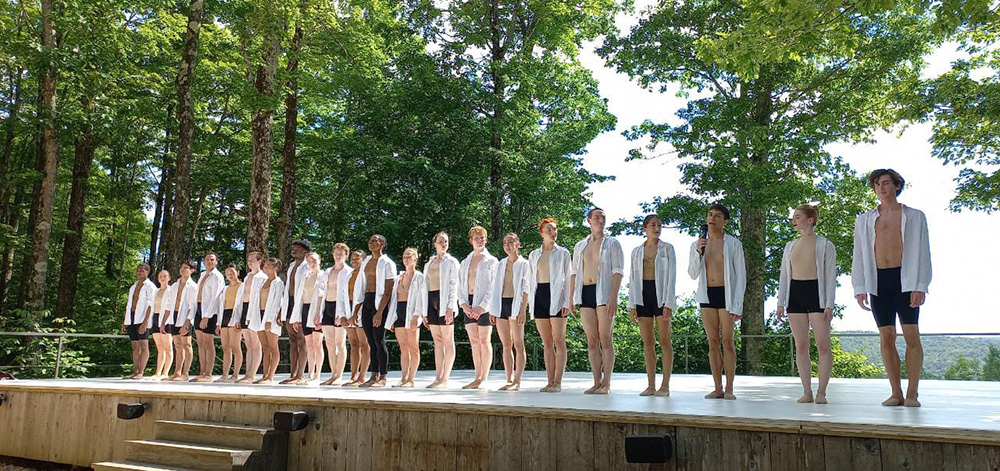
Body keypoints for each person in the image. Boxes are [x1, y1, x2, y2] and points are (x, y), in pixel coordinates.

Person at [852, 169, 931, 407]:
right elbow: (859, 253)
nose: (881, 188)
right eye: (877, 184)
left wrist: (920, 285)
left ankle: (912, 393)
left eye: (886, 183)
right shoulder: (864, 219)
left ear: (896, 186)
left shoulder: (915, 216)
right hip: (878, 280)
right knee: (886, 336)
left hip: (905, 279)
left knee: (911, 335)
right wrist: (859, 286)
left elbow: (924, 252)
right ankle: (895, 392)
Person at [777, 204, 836, 404]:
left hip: (817, 295)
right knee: (801, 345)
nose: (794, 220)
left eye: (798, 216)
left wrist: (829, 304)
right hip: (796, 295)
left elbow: (830, 276)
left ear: (810, 220)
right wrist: (780, 302)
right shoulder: (790, 246)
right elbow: (784, 275)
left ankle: (821, 391)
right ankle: (806, 391)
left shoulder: (825, 244)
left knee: (822, 345)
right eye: (794, 217)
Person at [688, 204, 746, 400]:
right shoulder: (697, 244)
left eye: (717, 215)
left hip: (726, 295)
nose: (712, 218)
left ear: (725, 221)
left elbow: (741, 276)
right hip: (707, 294)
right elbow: (692, 273)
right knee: (713, 342)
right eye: (710, 214)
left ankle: (730, 387)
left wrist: (738, 304)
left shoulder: (733, 244)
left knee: (727, 341)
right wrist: (698, 252)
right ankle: (717, 387)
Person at [571, 208, 625, 395]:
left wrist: (613, 297)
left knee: (605, 338)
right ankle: (596, 381)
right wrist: (571, 298)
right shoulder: (580, 246)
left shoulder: (612, 243)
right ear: (589, 220)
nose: (601, 219)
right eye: (597, 217)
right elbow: (574, 273)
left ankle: (607, 383)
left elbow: (618, 271)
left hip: (604, 292)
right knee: (592, 340)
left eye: (603, 217)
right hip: (585, 292)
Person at [627, 214, 677, 397]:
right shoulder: (636, 251)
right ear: (645, 229)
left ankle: (665, 385)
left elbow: (672, 277)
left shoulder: (667, 249)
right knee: (647, 342)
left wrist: (669, 302)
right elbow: (632, 278)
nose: (657, 228)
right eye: (653, 225)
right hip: (642, 294)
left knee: (665, 341)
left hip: (661, 294)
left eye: (659, 225)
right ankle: (650, 385)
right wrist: (632, 304)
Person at [528, 218, 573, 393]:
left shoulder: (563, 253)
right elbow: (530, 280)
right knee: (547, 342)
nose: (553, 232)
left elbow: (569, 278)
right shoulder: (534, 255)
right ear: (541, 233)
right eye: (549, 229)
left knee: (559, 341)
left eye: (554, 229)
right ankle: (549, 381)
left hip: (557, 297)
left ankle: (558, 382)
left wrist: (566, 302)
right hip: (540, 296)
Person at [353, 235, 397, 388]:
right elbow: (361, 286)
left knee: (379, 339)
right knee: (370, 341)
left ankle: (383, 376)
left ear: (382, 244)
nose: (371, 243)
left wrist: (380, 312)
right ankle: (373, 375)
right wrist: (355, 311)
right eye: (370, 240)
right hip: (368, 300)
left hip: (380, 302)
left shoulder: (387, 263)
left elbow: (388, 289)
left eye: (375, 241)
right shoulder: (366, 262)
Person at [458, 226, 498, 389]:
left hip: (484, 305)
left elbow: (493, 286)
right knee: (474, 341)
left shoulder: (491, 261)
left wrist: (482, 307)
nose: (480, 240)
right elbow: (460, 285)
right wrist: (464, 304)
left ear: (486, 240)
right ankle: (477, 376)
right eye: (477, 237)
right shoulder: (465, 262)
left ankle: (484, 378)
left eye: (482, 237)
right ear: (471, 241)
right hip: (469, 302)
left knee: (484, 340)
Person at [490, 233, 531, 391]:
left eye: (510, 242)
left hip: (516, 304)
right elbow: (495, 288)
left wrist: (523, 310)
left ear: (517, 244)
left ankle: (518, 380)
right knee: (506, 344)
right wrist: (493, 309)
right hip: (501, 305)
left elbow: (526, 288)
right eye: (505, 243)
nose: (507, 245)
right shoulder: (500, 264)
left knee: (519, 344)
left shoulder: (524, 264)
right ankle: (508, 379)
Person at [423, 232, 461, 389]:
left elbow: (454, 284)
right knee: (438, 342)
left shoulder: (452, 262)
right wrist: (424, 311)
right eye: (441, 241)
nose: (444, 243)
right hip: (431, 301)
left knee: (447, 340)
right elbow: (424, 287)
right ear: (435, 244)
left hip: (445, 301)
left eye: (446, 241)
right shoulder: (429, 262)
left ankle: (445, 377)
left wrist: (450, 307)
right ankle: (438, 376)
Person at [387, 247, 426, 388]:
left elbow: (421, 298)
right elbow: (393, 300)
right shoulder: (399, 278)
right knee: (403, 347)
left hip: (412, 312)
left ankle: (411, 378)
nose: (406, 259)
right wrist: (392, 319)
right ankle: (403, 378)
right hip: (400, 312)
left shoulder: (419, 277)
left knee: (413, 346)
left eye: (409, 256)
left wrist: (417, 316)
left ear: (415, 259)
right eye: (404, 256)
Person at [318, 243, 352, 386]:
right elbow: (320, 293)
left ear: (346, 255)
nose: (338, 255)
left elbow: (347, 294)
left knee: (340, 343)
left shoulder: (348, 272)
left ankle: (339, 375)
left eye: (341, 253)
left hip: (340, 308)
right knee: (330, 343)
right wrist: (317, 313)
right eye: (336, 253)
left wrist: (343, 312)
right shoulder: (327, 272)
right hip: (328, 306)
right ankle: (333, 374)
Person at [290, 252, 325, 383]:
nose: (312, 263)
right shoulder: (306, 276)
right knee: (309, 344)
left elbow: (321, 295)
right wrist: (297, 317)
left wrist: (318, 314)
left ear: (320, 260)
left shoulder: (323, 275)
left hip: (316, 309)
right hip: (305, 309)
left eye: (314, 260)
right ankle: (310, 373)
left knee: (317, 342)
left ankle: (318, 374)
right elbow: (300, 297)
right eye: (309, 261)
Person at [281, 240, 313, 385]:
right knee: (292, 340)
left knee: (302, 339)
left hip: (301, 302)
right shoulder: (292, 266)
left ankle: (301, 375)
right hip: (289, 301)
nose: (294, 250)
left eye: (297, 249)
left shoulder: (307, 267)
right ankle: (293, 373)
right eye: (293, 248)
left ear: (305, 252)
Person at [233, 252, 267, 384]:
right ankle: (247, 373)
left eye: (252, 260)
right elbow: (241, 298)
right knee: (248, 343)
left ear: (259, 261)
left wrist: (254, 314)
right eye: (248, 260)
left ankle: (252, 374)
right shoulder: (247, 277)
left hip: (255, 310)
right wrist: (237, 317)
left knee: (255, 343)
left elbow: (261, 297)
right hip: (244, 309)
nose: (249, 262)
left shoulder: (262, 277)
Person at [191, 253, 224, 382]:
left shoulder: (217, 276)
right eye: (207, 260)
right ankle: (202, 371)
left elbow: (216, 297)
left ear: (216, 262)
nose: (209, 262)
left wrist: (207, 316)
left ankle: (208, 373)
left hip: (210, 312)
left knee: (208, 342)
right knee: (200, 342)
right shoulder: (202, 275)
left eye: (212, 260)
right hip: (199, 308)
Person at [162, 260, 198, 381]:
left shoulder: (193, 286)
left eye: (186, 268)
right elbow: (168, 305)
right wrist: (163, 322)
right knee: (177, 345)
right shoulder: (174, 286)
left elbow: (193, 306)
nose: (183, 269)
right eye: (181, 267)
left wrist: (187, 322)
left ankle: (185, 373)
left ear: (192, 270)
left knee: (187, 344)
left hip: (185, 316)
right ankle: (177, 372)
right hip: (174, 316)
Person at [122, 263, 156, 379]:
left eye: (142, 270)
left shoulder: (150, 286)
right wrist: (125, 321)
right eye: (138, 270)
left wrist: (145, 322)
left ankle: (141, 372)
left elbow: (151, 305)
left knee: (144, 346)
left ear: (147, 272)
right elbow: (129, 304)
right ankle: (135, 371)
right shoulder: (134, 286)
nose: (139, 272)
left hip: (142, 318)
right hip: (132, 317)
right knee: (135, 346)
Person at [342, 250, 370, 386]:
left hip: (360, 310)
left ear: (364, 260)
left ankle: (362, 376)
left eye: (357, 258)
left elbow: (365, 295)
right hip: (348, 309)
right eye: (352, 258)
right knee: (353, 344)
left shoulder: (365, 274)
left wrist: (356, 314)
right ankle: (353, 376)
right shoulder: (348, 275)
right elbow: (342, 295)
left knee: (364, 344)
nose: (353, 260)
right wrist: (342, 314)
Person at [257, 258, 285, 384]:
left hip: (270, 316)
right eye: (265, 265)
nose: (266, 267)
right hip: (260, 315)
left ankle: (271, 376)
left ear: (276, 268)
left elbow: (277, 302)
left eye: (269, 266)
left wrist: (270, 320)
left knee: (273, 347)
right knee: (265, 347)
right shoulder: (263, 281)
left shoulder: (278, 283)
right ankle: (264, 375)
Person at [215, 264, 244, 383]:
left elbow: (242, 304)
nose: (230, 275)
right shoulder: (225, 288)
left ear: (237, 272)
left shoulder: (242, 286)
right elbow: (221, 305)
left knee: (235, 346)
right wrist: (218, 323)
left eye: (232, 272)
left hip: (236, 316)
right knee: (226, 347)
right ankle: (225, 374)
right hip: (225, 316)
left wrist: (240, 320)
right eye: (227, 273)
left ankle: (236, 374)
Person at [147, 269, 173, 380]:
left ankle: (165, 372)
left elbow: (169, 307)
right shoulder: (156, 291)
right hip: (155, 318)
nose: (162, 278)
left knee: (168, 347)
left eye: (165, 276)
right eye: (160, 276)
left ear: (169, 278)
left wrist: (163, 322)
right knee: (160, 348)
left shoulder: (171, 291)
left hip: (166, 319)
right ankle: (158, 372)